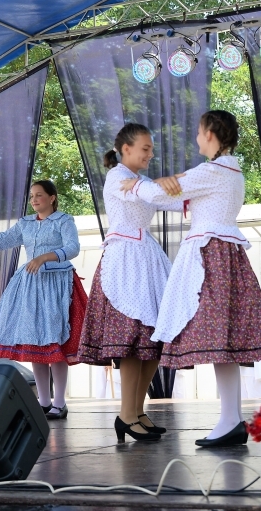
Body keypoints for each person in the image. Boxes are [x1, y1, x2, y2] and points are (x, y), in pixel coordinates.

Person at [121, 110, 261, 447]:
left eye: (198, 131)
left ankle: (230, 419)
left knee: (220, 339)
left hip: (210, 254)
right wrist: (167, 182)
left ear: (209, 134)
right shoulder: (228, 171)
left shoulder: (212, 171)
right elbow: (178, 194)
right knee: (224, 341)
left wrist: (137, 185)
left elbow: (161, 195)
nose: (196, 138)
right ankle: (230, 419)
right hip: (225, 253)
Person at [78, 123, 181, 443]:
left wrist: (191, 193)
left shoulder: (141, 181)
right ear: (126, 149)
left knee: (152, 341)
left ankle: (136, 411)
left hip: (146, 259)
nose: (150, 154)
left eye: (151, 149)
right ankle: (126, 415)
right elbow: (154, 194)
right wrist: (173, 186)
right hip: (124, 261)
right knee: (133, 340)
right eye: (145, 148)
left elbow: (167, 199)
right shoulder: (118, 177)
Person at [0, 180, 86, 421]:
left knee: (55, 342)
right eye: (32, 196)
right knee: (34, 342)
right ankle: (44, 401)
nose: (34, 200)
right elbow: (2, 240)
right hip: (31, 286)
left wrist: (45, 257)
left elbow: (73, 248)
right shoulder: (26, 223)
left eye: (39, 195)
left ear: (52, 197)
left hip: (57, 285)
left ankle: (60, 402)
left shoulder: (64, 221)